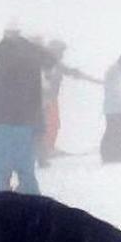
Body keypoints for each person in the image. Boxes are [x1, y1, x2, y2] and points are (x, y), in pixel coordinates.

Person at [0, 28, 46, 193]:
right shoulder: (31, 66)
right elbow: (36, 97)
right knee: (25, 166)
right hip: (25, 123)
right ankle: (31, 198)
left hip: (1, 122)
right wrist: (39, 123)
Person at [38, 39, 102, 167]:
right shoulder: (45, 63)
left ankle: (48, 147)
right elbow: (45, 79)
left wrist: (83, 76)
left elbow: (69, 71)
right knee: (49, 124)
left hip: (51, 98)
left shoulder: (56, 63)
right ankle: (46, 149)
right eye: (61, 51)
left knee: (54, 123)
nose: (62, 54)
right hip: (44, 99)